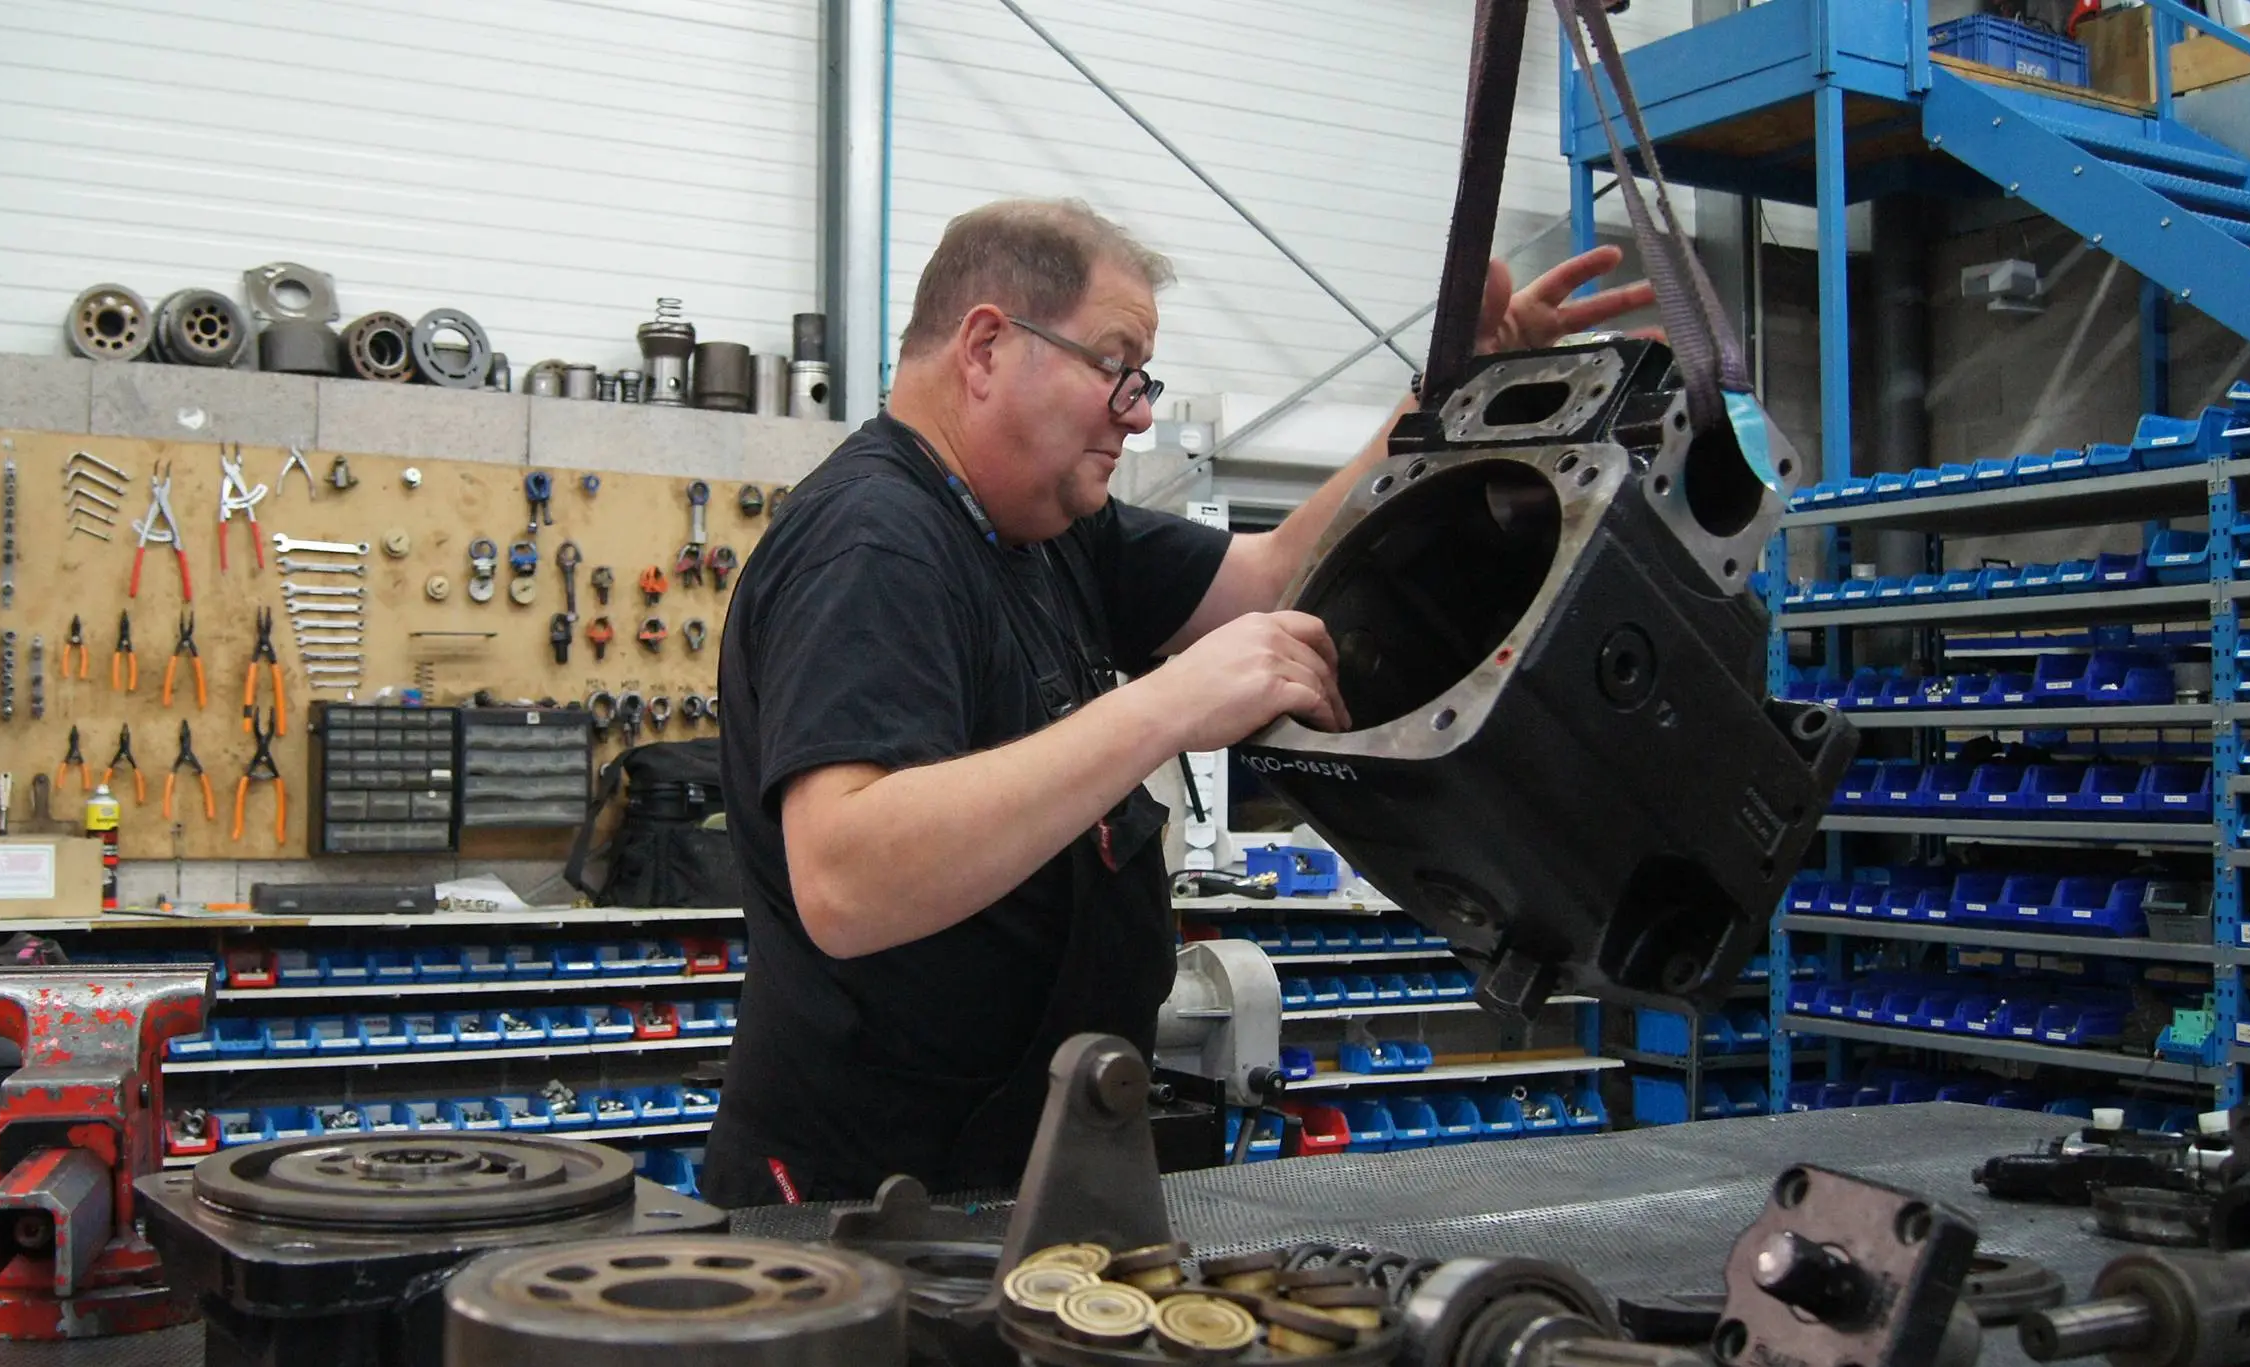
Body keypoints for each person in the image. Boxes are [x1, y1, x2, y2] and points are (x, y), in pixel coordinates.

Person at [704, 198, 1654, 1206]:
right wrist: (1167, 704)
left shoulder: (1045, 532)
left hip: (1000, 1162)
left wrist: (1439, 404)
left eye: (1141, 379)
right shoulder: (876, 544)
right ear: (985, 346)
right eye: (1116, 368)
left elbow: (1275, 572)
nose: (1141, 411)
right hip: (863, 1202)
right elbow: (848, 880)